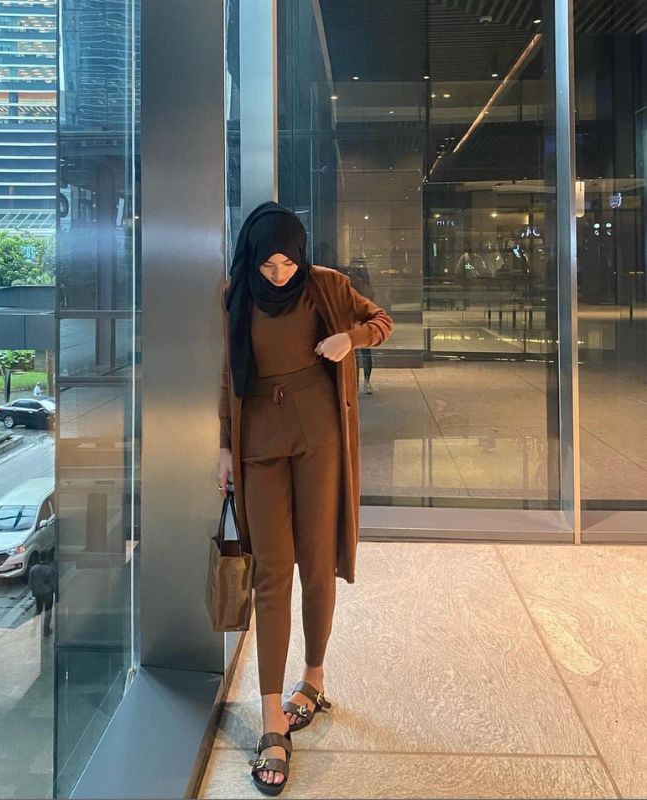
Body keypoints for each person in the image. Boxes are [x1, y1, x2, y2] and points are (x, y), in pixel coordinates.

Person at [217, 201, 393, 794]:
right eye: (267, 266)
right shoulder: (235, 294)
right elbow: (227, 373)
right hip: (258, 444)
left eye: (287, 264)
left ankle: (312, 680)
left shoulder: (327, 286)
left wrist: (350, 338)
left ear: (301, 254)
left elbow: (382, 322)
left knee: (316, 562)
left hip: (320, 439)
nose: (278, 275)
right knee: (272, 571)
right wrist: (224, 446)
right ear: (251, 259)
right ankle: (272, 719)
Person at [347, 261, 376, 394]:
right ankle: (364, 382)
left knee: (361, 353)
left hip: (359, 320)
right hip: (357, 320)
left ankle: (364, 382)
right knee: (362, 353)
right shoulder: (357, 285)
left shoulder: (359, 285)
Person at [28, 551, 58, 637]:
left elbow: (30, 583)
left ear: (39, 558)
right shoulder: (51, 569)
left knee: (38, 610)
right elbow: (54, 583)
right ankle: (46, 629)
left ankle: (33, 629)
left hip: (38, 594)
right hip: (48, 593)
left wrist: (34, 592)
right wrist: (57, 595)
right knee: (48, 611)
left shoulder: (33, 569)